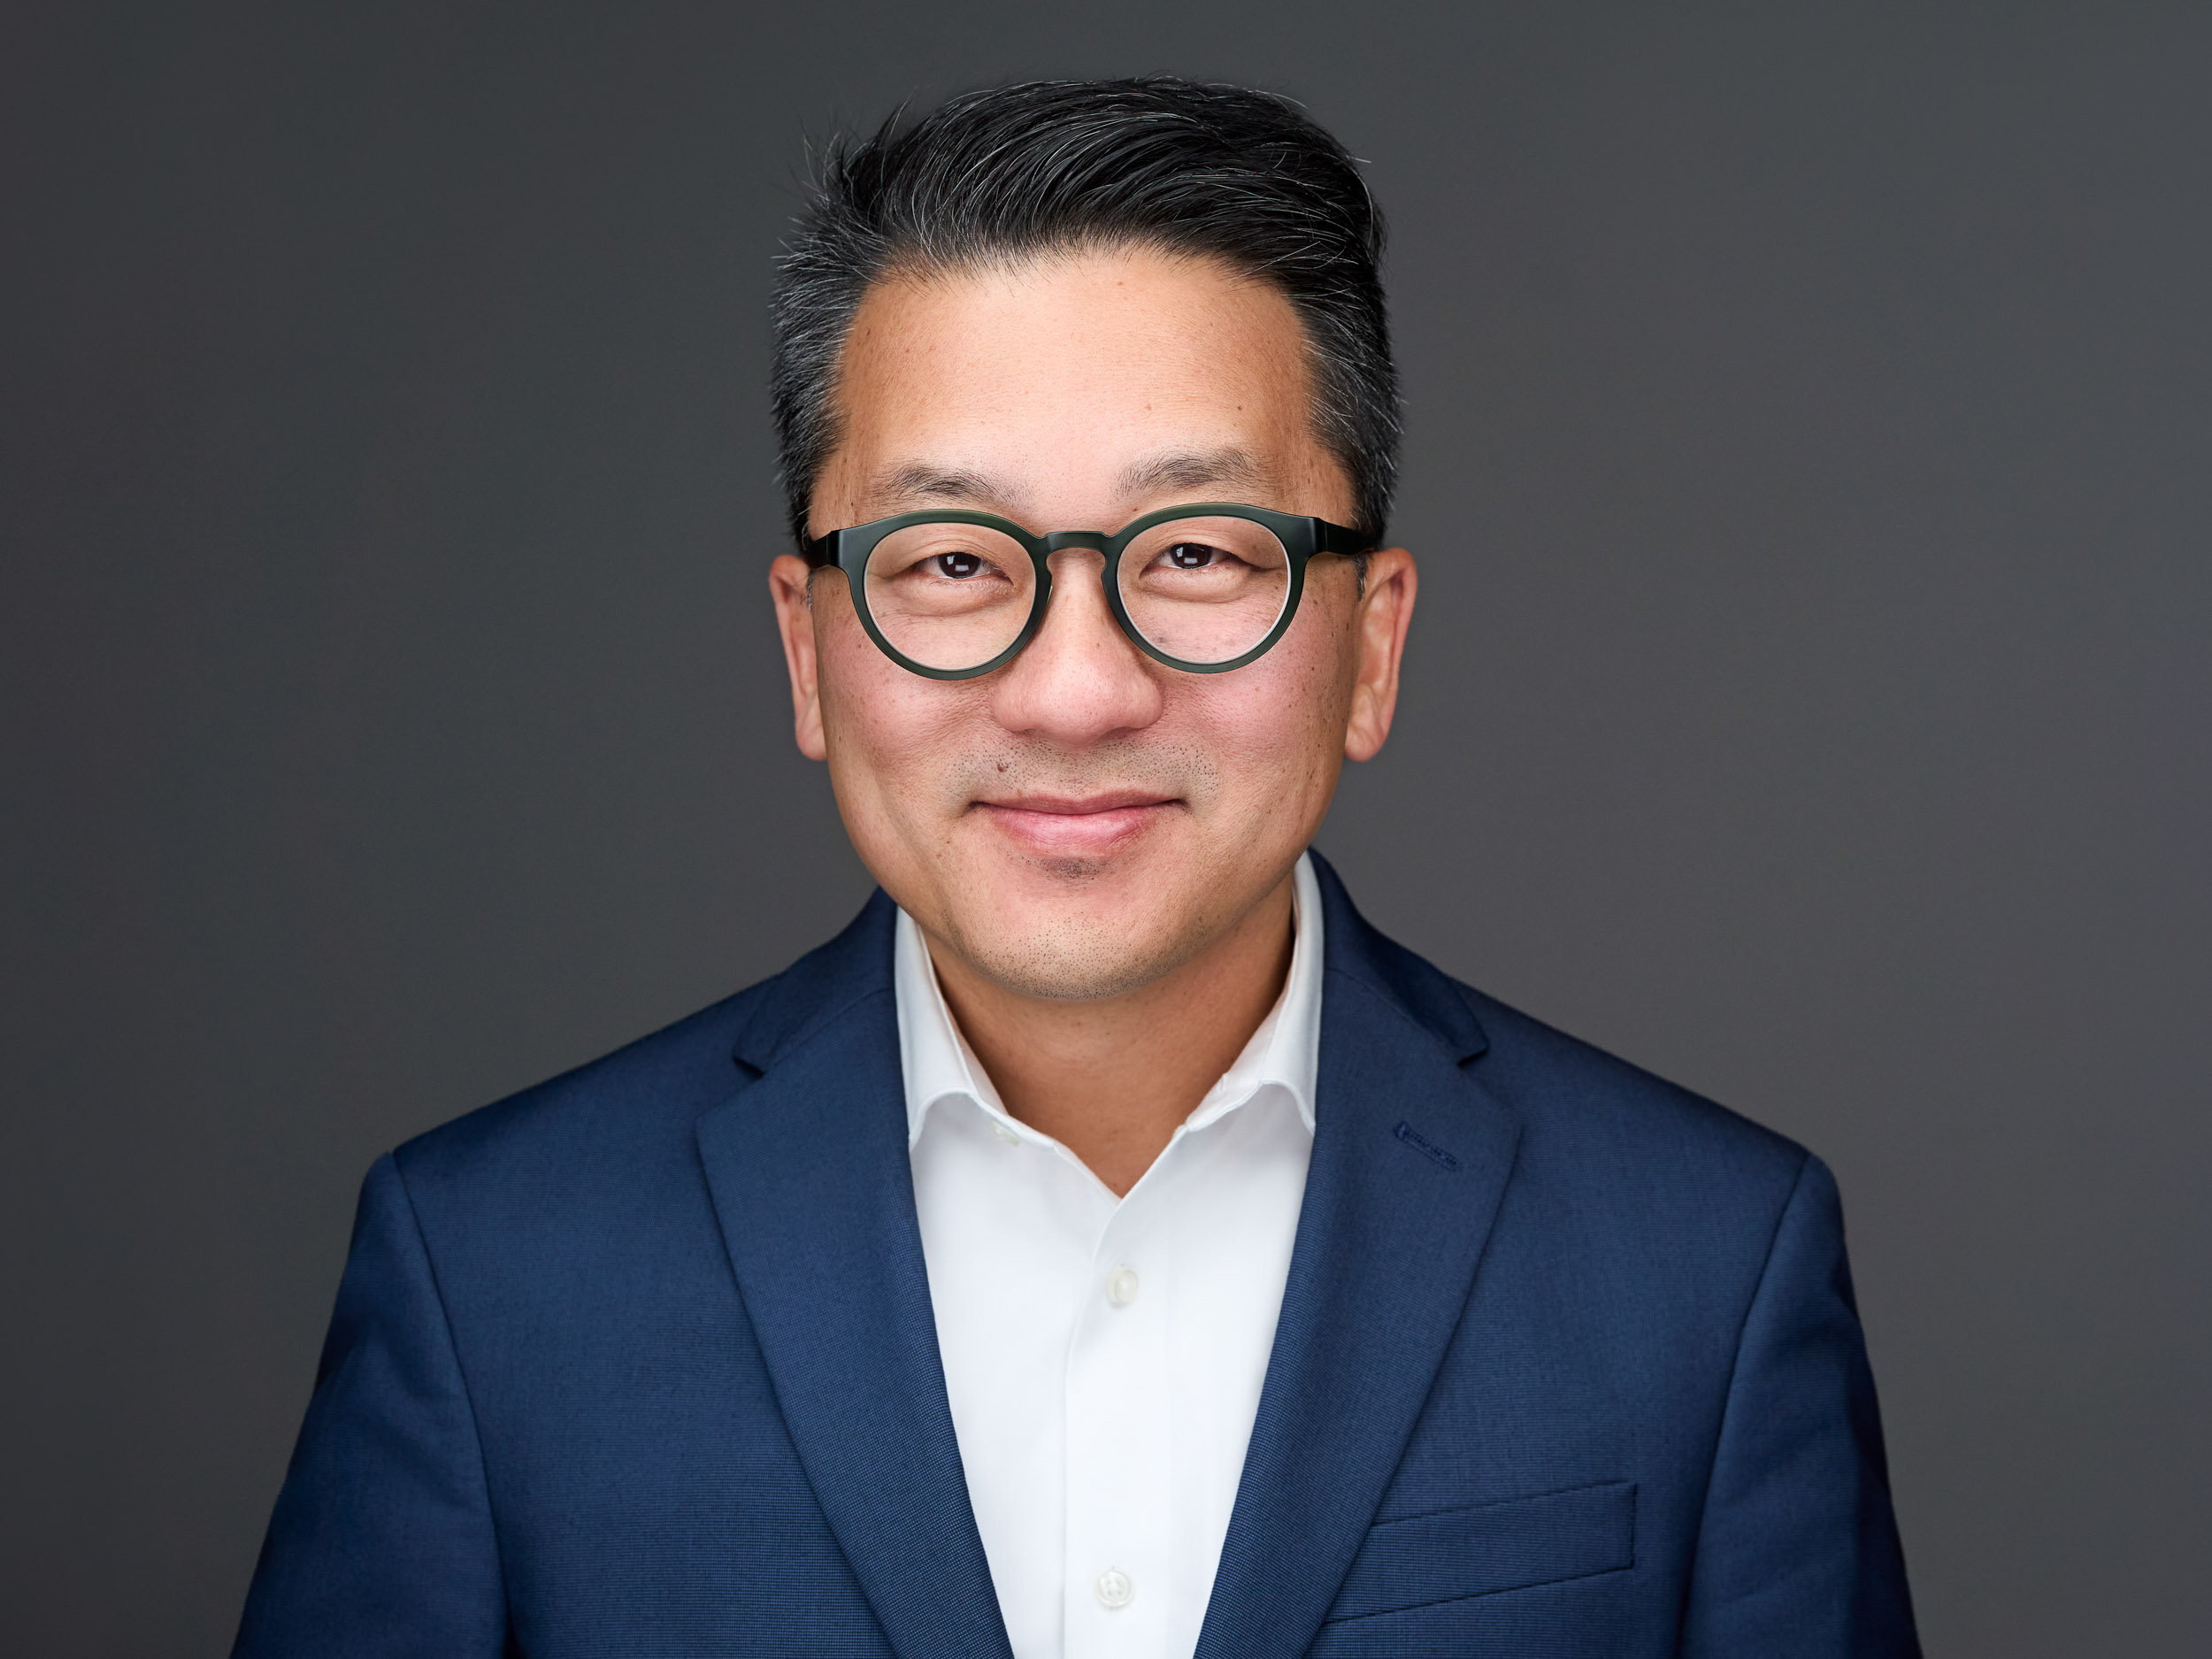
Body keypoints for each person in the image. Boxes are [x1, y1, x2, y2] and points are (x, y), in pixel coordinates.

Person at [234, 78, 1919, 1658]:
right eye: (954, 559)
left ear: (1371, 647)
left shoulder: (1705, 1265)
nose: (1077, 687)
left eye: (1194, 550)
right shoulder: (493, 1273)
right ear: (810, 654)